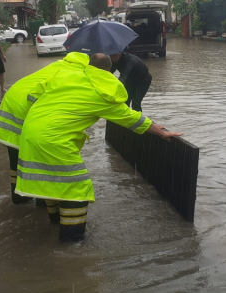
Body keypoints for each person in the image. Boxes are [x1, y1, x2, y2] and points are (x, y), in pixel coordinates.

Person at [16, 53, 182, 241]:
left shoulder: (67, 75)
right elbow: (130, 118)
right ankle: (72, 241)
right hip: (53, 139)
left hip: (29, 131)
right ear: (107, 70)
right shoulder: (102, 90)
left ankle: (55, 222)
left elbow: (33, 94)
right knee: (77, 187)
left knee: (52, 180)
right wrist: (160, 132)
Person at [0, 52, 89, 204]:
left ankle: (19, 198)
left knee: (16, 156)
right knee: (37, 158)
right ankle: (41, 198)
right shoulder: (73, 73)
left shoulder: (59, 65)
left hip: (10, 106)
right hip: (25, 110)